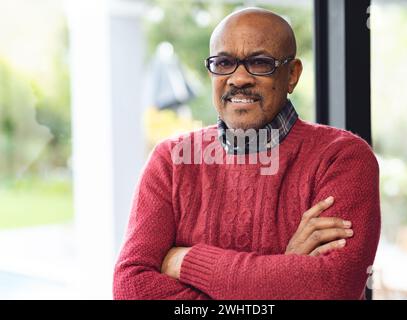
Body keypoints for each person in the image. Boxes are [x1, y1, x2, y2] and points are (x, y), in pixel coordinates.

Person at [113, 7, 380, 300]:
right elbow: (130, 288)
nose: (239, 78)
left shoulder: (342, 158)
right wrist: (286, 269)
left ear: (292, 75)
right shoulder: (172, 161)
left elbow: (332, 287)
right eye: (224, 62)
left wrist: (187, 262)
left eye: (260, 62)